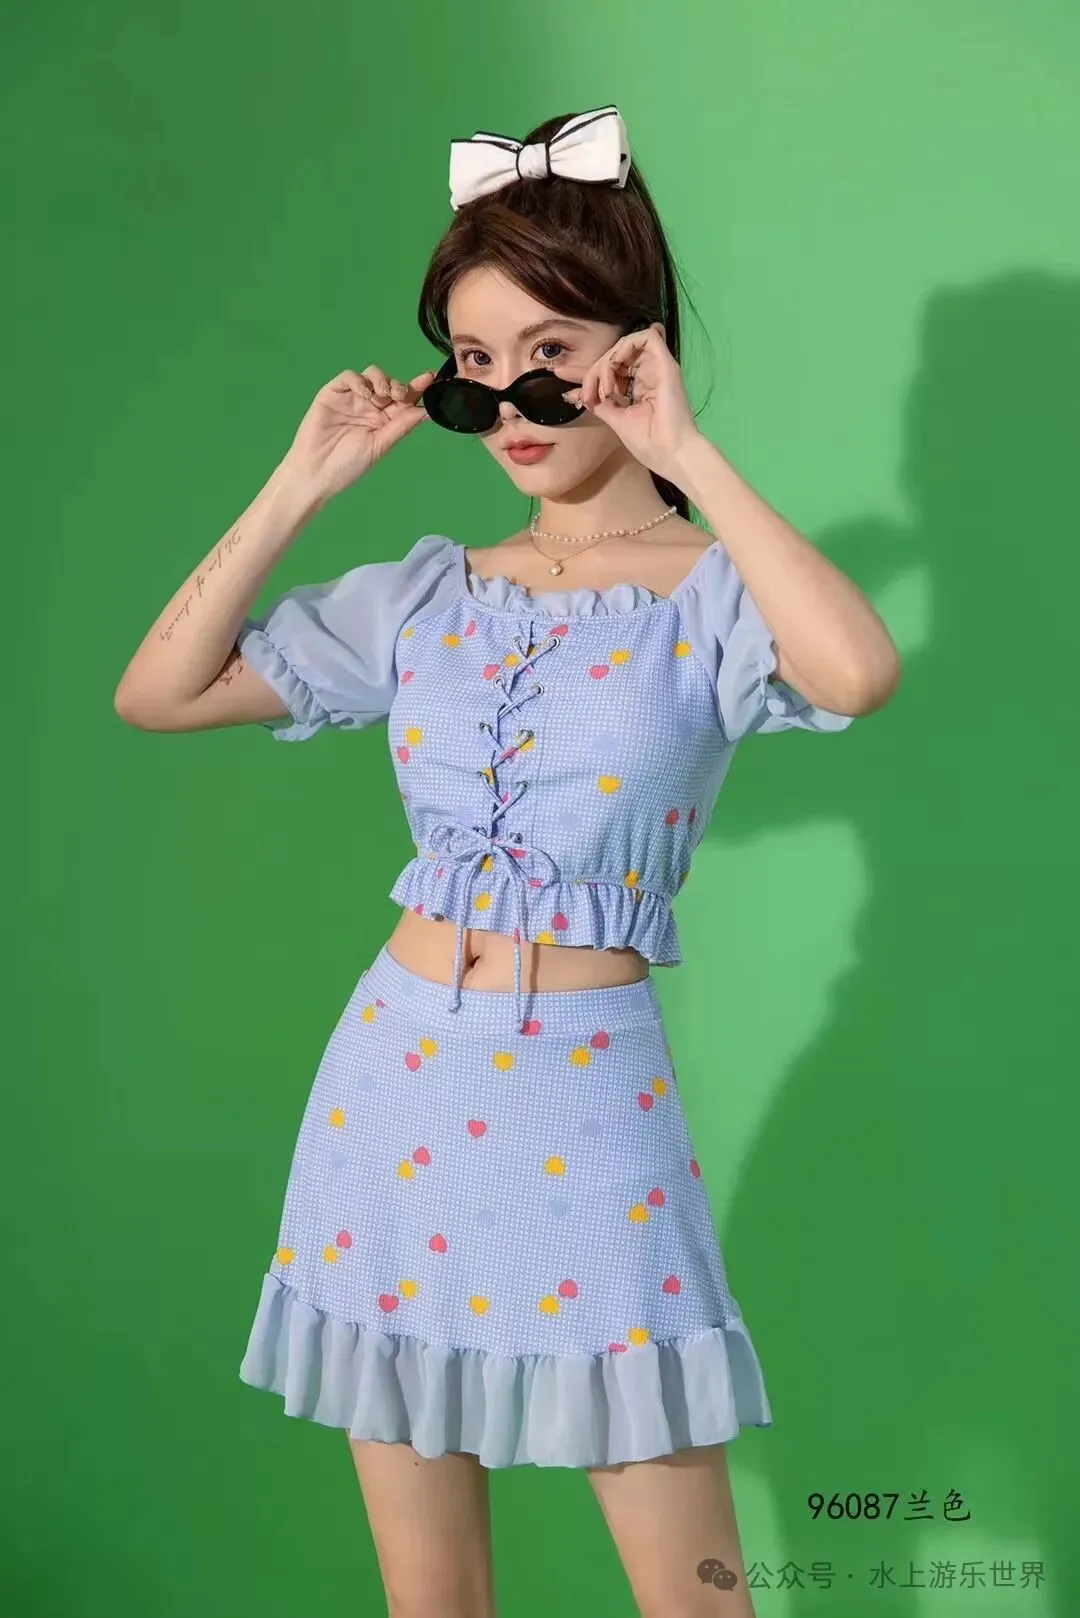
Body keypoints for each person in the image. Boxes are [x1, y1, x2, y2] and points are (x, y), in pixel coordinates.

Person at [115, 105, 900, 1618]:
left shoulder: (712, 596)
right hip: (391, 1087)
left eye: (551, 352)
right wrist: (301, 482)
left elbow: (857, 671)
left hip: (586, 1098)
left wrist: (687, 451)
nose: (513, 402)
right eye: (476, 363)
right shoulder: (427, 595)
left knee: (697, 1595)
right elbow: (160, 691)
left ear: (634, 352)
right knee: (433, 1599)